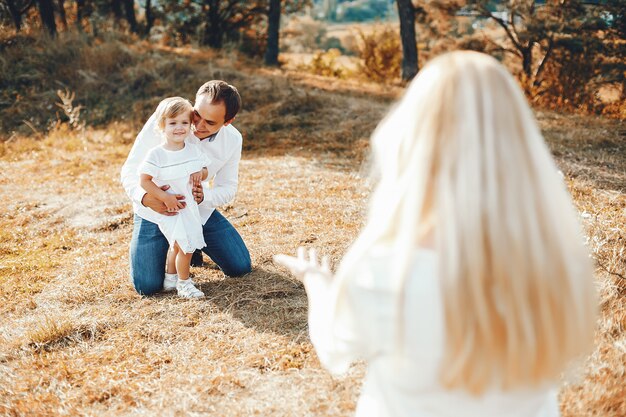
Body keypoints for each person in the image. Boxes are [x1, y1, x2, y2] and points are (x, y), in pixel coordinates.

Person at [274, 51, 597, 417]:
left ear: (415, 136)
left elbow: (335, 349)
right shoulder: (557, 262)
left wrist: (315, 280)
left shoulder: (387, 268)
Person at [121, 80, 251, 296]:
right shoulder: (167, 119)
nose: (197, 126)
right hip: (154, 211)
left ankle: (192, 246)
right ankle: (173, 249)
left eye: (209, 122)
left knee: (240, 266)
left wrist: (203, 197)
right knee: (147, 285)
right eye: (197, 115)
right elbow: (130, 170)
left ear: (228, 122)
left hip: (194, 211)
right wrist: (145, 198)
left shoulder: (233, 140)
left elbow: (228, 187)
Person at [138, 97, 209, 298]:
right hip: (170, 207)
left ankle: (170, 278)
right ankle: (184, 283)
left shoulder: (193, 150)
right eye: (173, 123)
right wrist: (165, 197)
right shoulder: (157, 154)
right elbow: (144, 181)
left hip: (188, 207)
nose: (179, 128)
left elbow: (204, 169)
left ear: (191, 125)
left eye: (184, 123)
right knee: (185, 246)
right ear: (162, 126)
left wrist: (200, 174)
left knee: (177, 244)